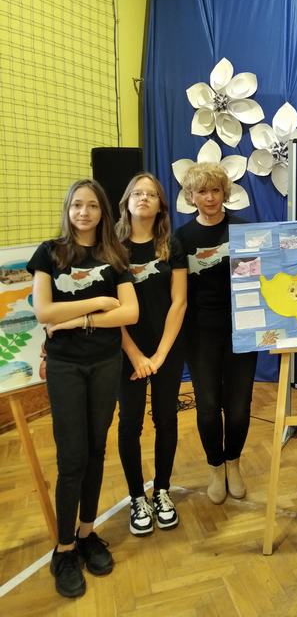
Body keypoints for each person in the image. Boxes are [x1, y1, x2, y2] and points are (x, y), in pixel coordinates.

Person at [27, 179, 138, 599]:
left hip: (105, 363)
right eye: (77, 205)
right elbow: (43, 311)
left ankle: (87, 533)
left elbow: (131, 312)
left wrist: (76, 320)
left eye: (92, 205)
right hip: (66, 367)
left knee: (95, 450)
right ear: (68, 209)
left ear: (103, 211)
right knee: (72, 458)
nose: (84, 212)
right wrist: (99, 302)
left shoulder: (115, 255)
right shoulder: (50, 253)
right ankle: (64, 549)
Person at [174, 162, 257, 504]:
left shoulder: (245, 230)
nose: (209, 197)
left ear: (225, 193)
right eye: (202, 191)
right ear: (191, 196)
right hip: (199, 334)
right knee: (208, 406)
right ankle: (215, 467)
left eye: (215, 190)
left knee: (238, 407)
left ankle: (233, 463)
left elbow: (262, 280)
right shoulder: (181, 238)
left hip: (243, 330)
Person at [116, 173, 187, 536]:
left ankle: (161, 491)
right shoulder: (111, 249)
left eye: (151, 194)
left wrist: (159, 356)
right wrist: (135, 354)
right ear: (127, 201)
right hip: (125, 352)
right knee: (130, 424)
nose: (143, 198)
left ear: (161, 205)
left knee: (166, 419)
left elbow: (179, 302)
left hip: (167, 349)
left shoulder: (171, 245)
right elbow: (110, 308)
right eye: (137, 193)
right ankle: (136, 498)